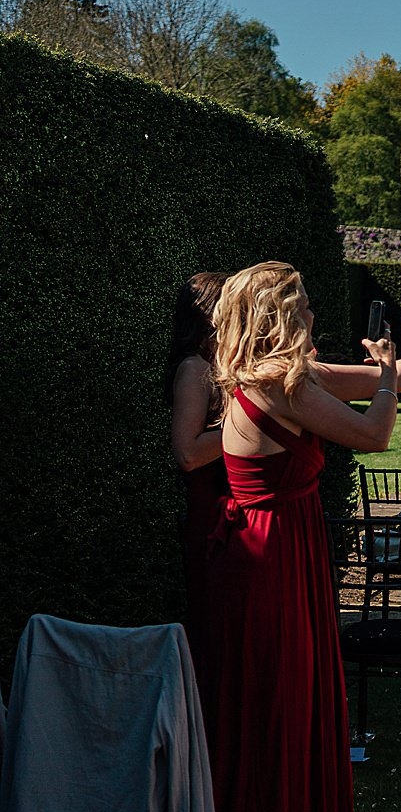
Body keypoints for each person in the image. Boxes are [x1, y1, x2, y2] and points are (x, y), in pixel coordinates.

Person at [196, 261, 401, 812]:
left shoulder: (281, 377)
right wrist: (386, 379)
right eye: (305, 304)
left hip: (279, 548)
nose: (314, 314)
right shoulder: (281, 385)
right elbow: (375, 434)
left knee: (279, 694)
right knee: (278, 697)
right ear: (280, 316)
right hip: (272, 557)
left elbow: (392, 374)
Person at [165, 271, 230, 650]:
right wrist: (253, 427)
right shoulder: (195, 369)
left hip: (227, 505)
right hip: (211, 512)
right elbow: (187, 454)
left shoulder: (217, 366)